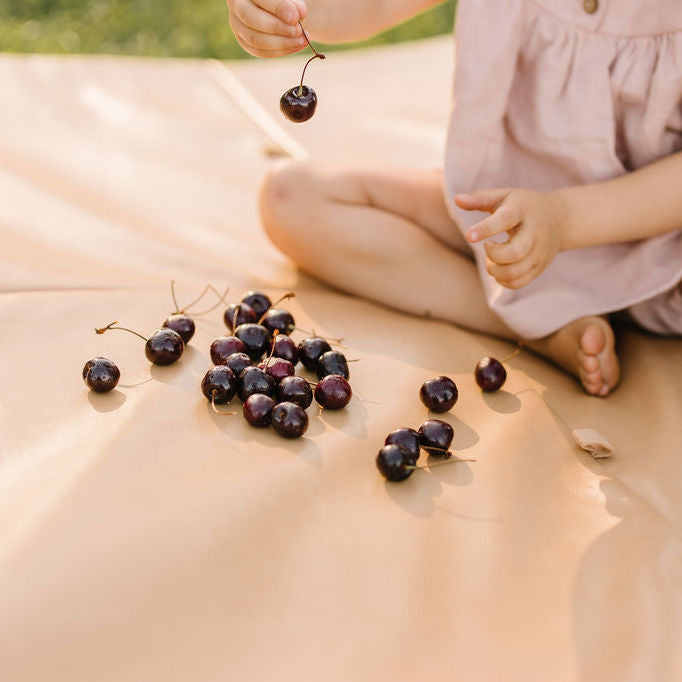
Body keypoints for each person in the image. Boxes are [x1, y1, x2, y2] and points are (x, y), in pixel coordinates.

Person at [225, 0, 682, 396]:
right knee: (290, 198)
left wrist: (563, 220)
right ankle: (545, 326)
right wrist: (293, 12)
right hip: (498, 226)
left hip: (664, 261)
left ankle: (540, 310)